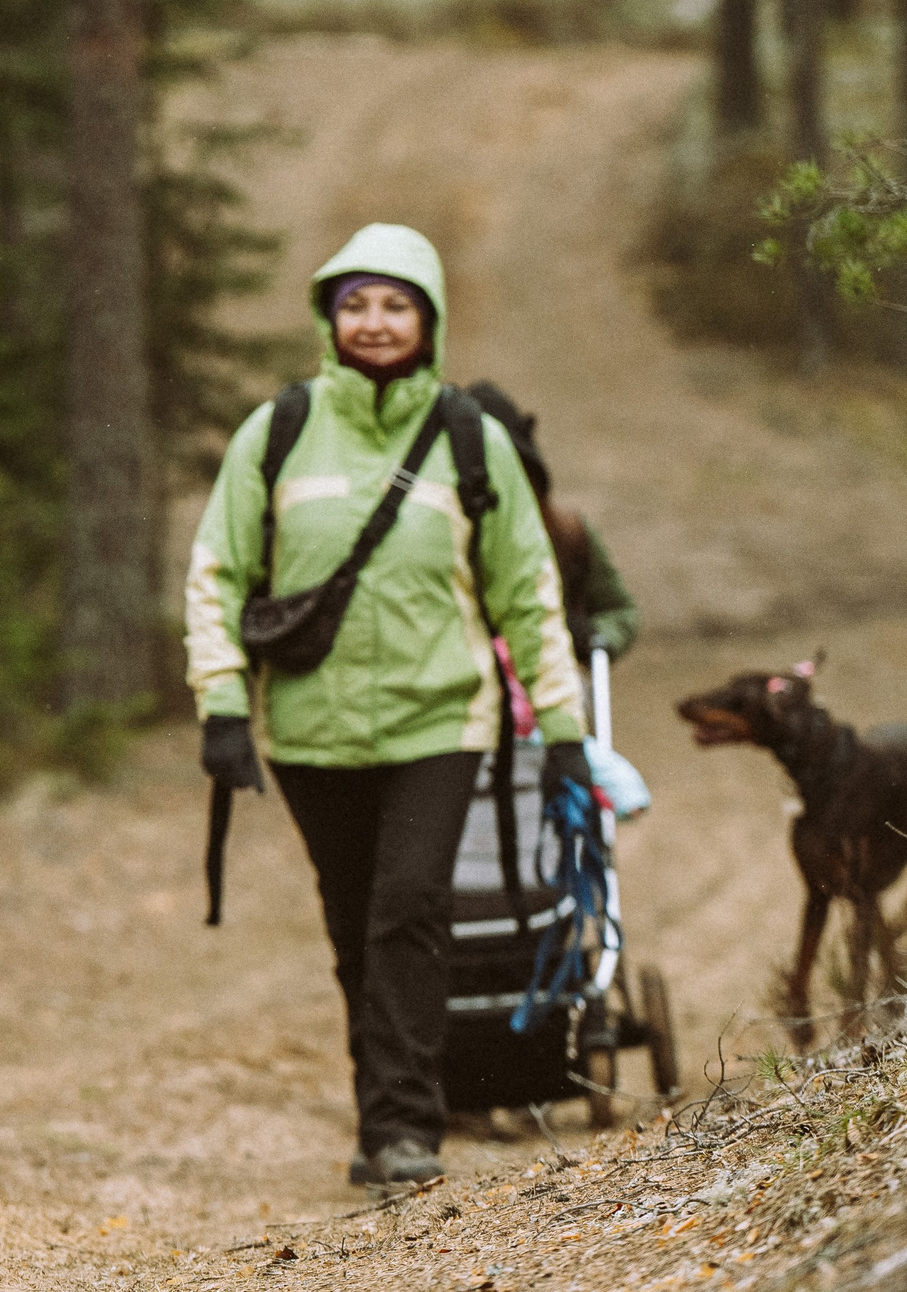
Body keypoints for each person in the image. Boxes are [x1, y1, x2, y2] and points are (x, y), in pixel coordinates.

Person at [183, 223, 588, 1188]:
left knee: (409, 908)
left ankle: (405, 1125)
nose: (374, 322)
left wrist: (563, 726)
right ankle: (382, 1110)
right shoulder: (277, 431)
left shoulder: (470, 438)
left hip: (438, 719)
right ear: (328, 318)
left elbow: (528, 592)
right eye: (355, 304)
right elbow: (217, 572)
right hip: (310, 731)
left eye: (396, 305)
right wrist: (222, 706)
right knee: (354, 919)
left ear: (429, 322)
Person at [465, 380, 650, 817]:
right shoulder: (440, 534)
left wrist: (596, 636)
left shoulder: (569, 535)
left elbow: (621, 611)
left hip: (552, 699)